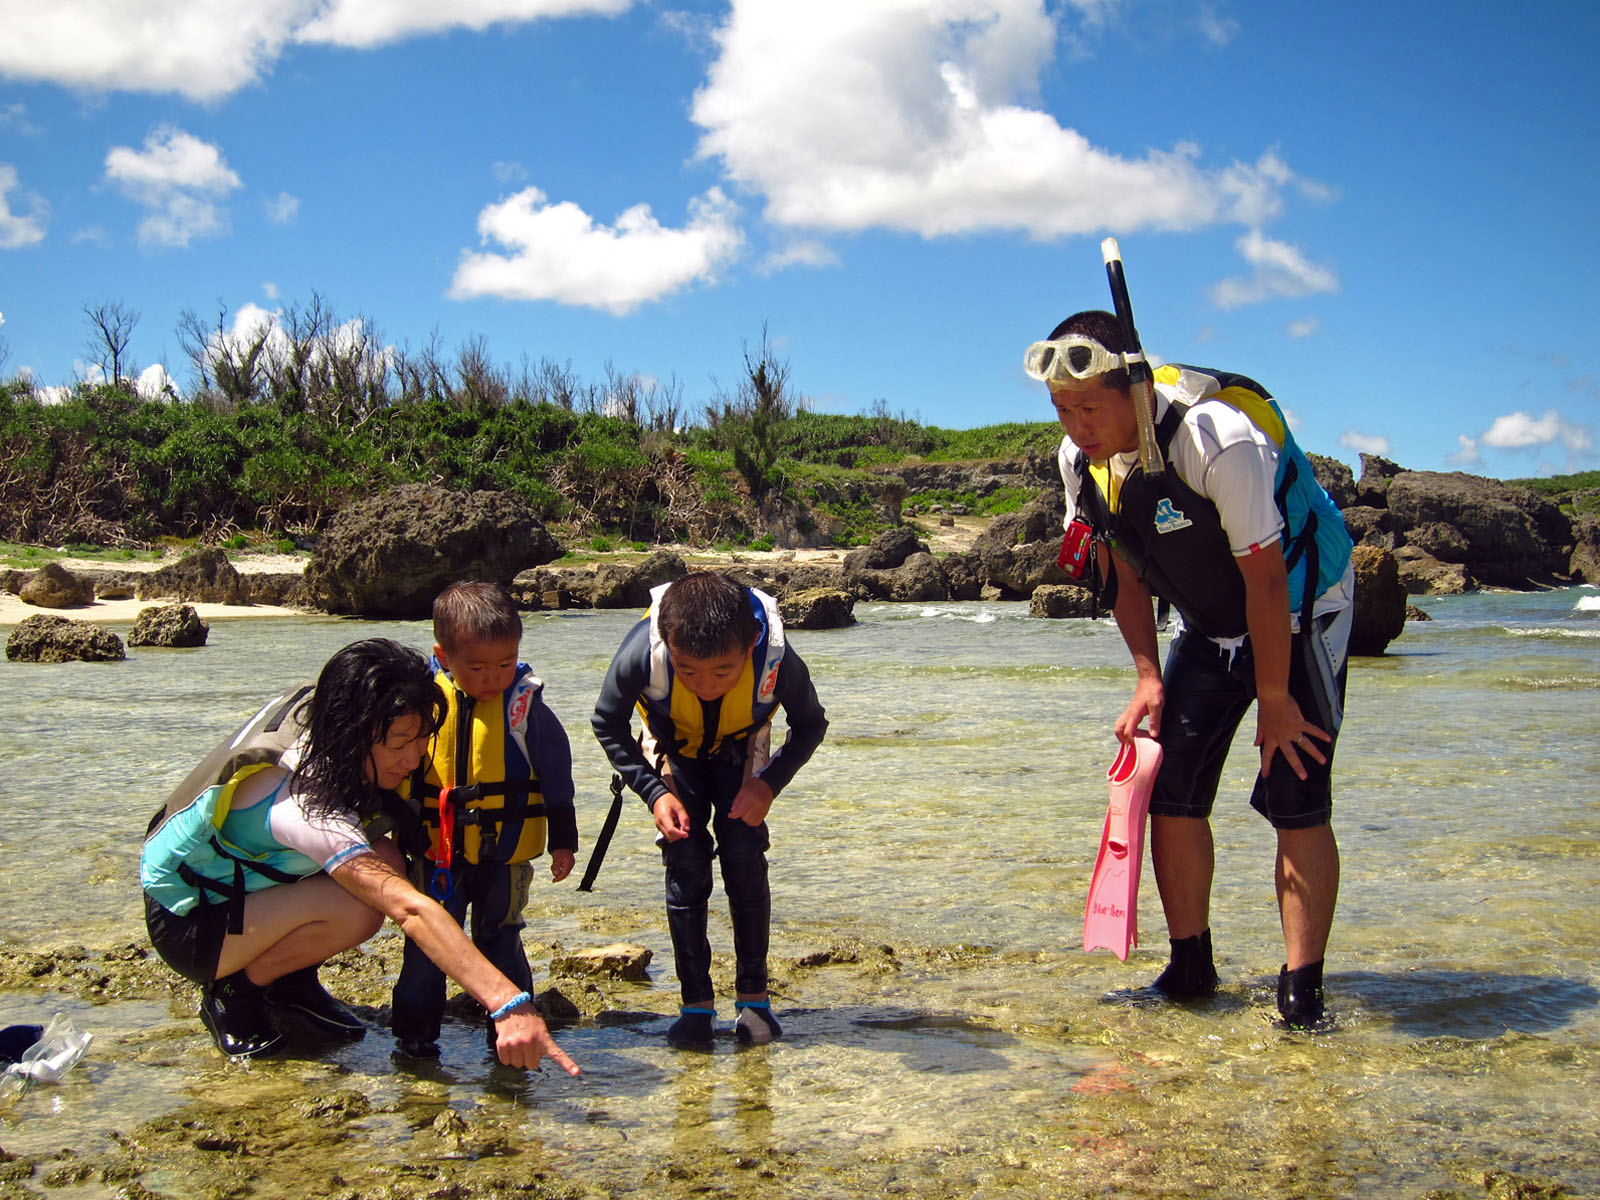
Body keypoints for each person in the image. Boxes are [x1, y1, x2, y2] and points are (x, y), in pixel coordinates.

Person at [1026, 310, 1355, 1028]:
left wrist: (1274, 694)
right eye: (1061, 409)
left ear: (1135, 390)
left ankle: (1302, 991)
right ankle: (1190, 965)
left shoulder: (1217, 438)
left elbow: (1267, 580)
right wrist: (1148, 674)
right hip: (1208, 624)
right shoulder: (1079, 463)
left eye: (1089, 406)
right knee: (1172, 790)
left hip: (1300, 609)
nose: (1076, 425)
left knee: (1294, 787)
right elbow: (1119, 571)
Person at [141, 637, 580, 1075]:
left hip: (249, 889)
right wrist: (509, 1003)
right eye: (398, 744)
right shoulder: (304, 806)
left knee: (390, 860)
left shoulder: (330, 706)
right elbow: (408, 910)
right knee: (364, 906)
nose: (413, 759)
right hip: (192, 924)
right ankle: (238, 990)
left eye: (422, 740)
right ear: (355, 732)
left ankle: (288, 983)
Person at [592, 571, 828, 1047]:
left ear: (750, 645)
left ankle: (754, 1001)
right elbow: (607, 722)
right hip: (674, 746)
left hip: (744, 747)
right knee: (686, 859)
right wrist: (655, 793)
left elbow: (809, 726)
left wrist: (769, 785)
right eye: (688, 671)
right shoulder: (645, 653)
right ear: (667, 645)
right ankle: (695, 1005)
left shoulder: (775, 660)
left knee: (743, 853)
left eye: (723, 672)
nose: (705, 686)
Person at [390, 581, 578, 1059]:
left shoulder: (523, 707)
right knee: (428, 946)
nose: (493, 678)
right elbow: (394, 773)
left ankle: (513, 1039)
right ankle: (414, 1040)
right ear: (443, 655)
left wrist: (564, 839)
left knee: (502, 943)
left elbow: (556, 773)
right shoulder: (420, 701)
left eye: (505, 663)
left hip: (505, 858)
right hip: (436, 854)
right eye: (476, 667)